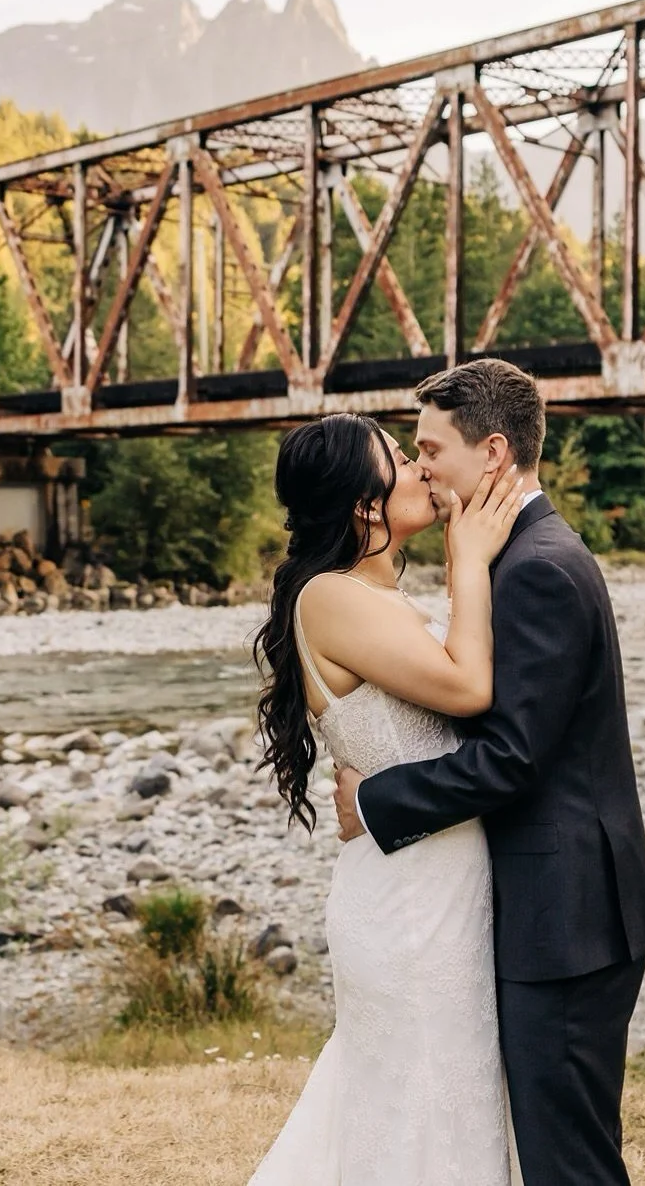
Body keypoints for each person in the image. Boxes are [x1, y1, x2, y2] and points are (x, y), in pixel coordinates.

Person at [334, 358, 645, 1186]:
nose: (421, 470)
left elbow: (511, 759)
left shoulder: (537, 569)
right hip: (563, 911)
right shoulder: (514, 558)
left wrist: (374, 800)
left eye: (429, 450)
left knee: (569, 1165)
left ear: (491, 453)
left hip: (568, 921)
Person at [248, 410, 526, 1186]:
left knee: (444, 1105)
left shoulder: (373, 593)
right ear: (363, 503)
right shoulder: (331, 597)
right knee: (421, 1111)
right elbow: (470, 689)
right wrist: (469, 559)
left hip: (441, 889)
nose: (421, 470)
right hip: (408, 905)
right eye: (401, 461)